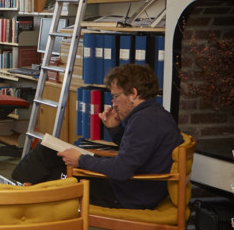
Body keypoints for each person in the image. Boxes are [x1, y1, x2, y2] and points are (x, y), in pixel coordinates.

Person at [11, 63, 182, 209]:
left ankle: (12, 198)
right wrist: (115, 129)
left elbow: (122, 169)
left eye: (115, 96)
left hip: (129, 195)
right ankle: (15, 195)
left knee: (54, 173)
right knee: (48, 152)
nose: (113, 103)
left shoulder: (145, 120)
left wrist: (81, 160)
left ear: (134, 93)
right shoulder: (153, 114)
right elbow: (136, 154)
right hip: (133, 187)